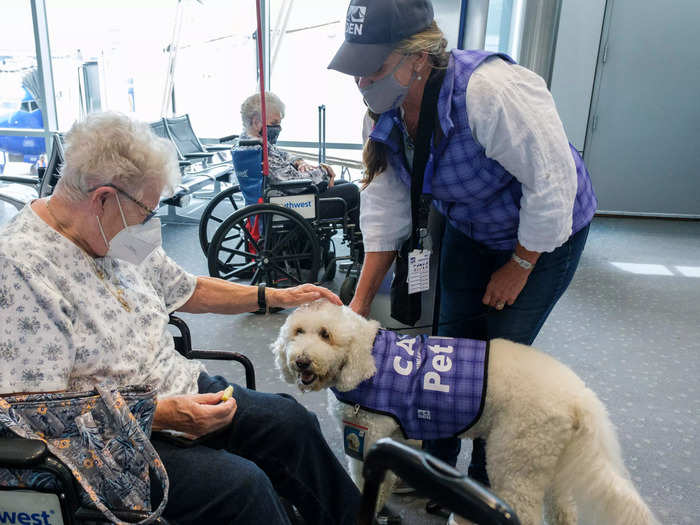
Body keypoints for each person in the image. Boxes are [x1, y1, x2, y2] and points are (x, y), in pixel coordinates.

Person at [0, 112, 361, 525]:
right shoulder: (20, 268)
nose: (149, 225)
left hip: (178, 388)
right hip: (108, 444)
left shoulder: (111, 233)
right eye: (146, 211)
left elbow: (188, 288)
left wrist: (275, 295)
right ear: (102, 199)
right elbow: (29, 412)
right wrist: (162, 413)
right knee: (242, 487)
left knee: (290, 422)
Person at [328, 0, 597, 503]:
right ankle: (436, 469)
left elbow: (552, 186)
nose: (363, 83)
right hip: (470, 227)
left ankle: (484, 484)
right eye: (355, 70)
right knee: (448, 351)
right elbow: (384, 216)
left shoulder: (491, 93)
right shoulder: (382, 116)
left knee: (500, 357)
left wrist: (519, 266)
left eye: (375, 69)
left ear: (418, 58)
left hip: (546, 232)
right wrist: (356, 309)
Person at [239, 92, 362, 235]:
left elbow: (281, 156)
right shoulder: (260, 149)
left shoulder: (249, 144)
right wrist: (323, 171)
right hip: (290, 204)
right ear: (255, 121)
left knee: (342, 183)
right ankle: (362, 243)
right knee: (352, 190)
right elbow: (293, 184)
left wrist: (298, 162)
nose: (279, 129)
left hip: (277, 198)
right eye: (274, 124)